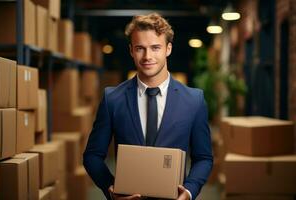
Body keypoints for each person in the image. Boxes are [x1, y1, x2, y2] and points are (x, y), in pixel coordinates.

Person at [83, 13, 213, 200]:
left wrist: (189, 191)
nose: (147, 56)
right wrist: (111, 189)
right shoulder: (113, 98)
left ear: (168, 49)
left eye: (155, 48)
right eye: (140, 49)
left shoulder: (194, 100)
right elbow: (92, 156)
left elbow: (204, 158)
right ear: (131, 50)